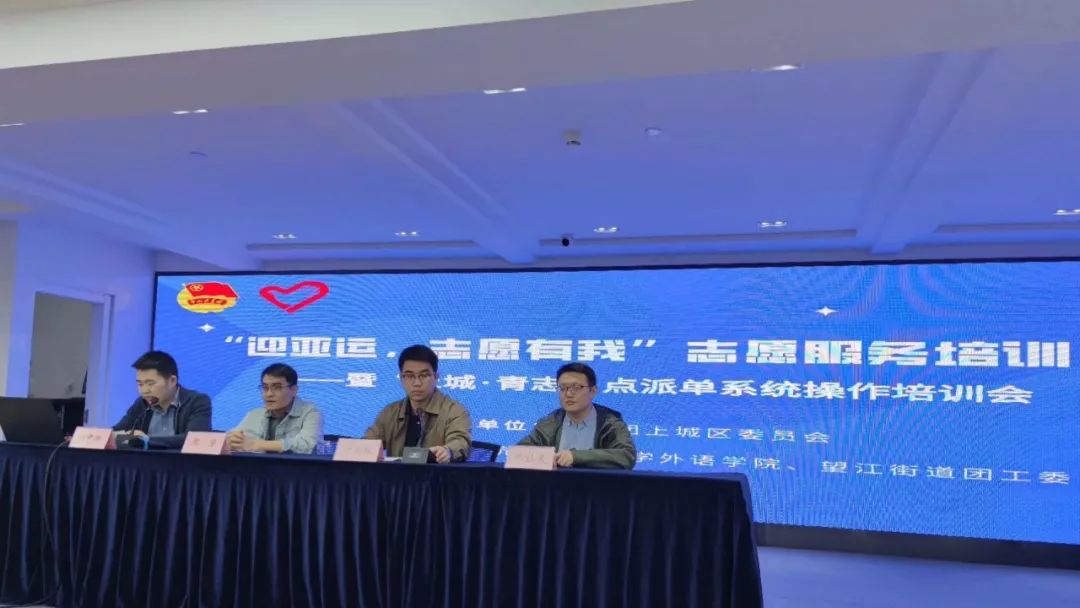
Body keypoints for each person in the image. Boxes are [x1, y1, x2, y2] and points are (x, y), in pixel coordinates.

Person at [363, 345, 471, 463]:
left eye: (424, 375)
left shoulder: (454, 411)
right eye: (410, 376)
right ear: (401, 378)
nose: (417, 383)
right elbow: (368, 444)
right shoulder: (390, 413)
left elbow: (461, 442)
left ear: (436, 377)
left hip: (436, 474)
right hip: (397, 475)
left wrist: (447, 451)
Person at [518, 362, 636, 469]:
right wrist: (544, 458)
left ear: (593, 391)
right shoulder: (550, 422)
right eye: (562, 388)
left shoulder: (610, 422)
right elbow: (519, 453)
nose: (569, 394)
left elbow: (626, 456)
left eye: (576, 387)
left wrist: (576, 457)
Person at [112, 350, 212, 449]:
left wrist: (145, 440)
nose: (144, 391)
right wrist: (124, 437)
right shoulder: (142, 403)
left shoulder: (197, 401)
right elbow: (114, 433)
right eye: (140, 384)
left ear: (172, 381)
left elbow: (194, 440)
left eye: (150, 384)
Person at [227, 363, 323, 454]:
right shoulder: (255, 414)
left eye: (277, 387)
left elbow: (310, 445)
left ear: (294, 390)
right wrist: (232, 440)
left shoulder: (310, 412)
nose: (269, 394)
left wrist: (256, 444)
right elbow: (229, 438)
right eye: (265, 388)